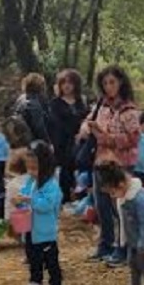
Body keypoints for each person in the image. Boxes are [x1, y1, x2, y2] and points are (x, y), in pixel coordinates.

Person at [80, 66, 140, 267]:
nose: (108, 87)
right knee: (102, 205)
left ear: (121, 83)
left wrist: (107, 138)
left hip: (120, 164)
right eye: (105, 83)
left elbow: (134, 139)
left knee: (120, 207)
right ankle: (105, 243)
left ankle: (125, 248)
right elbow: (89, 124)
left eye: (112, 82)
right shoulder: (101, 107)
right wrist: (89, 129)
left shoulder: (129, 110)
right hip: (100, 161)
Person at [97, 164, 144, 285]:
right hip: (134, 237)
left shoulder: (138, 199)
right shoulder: (124, 196)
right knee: (132, 262)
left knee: (142, 262)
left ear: (121, 185)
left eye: (112, 192)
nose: (112, 196)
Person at [17, 141, 64, 285]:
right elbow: (24, 194)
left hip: (45, 231)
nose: (31, 172)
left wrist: (30, 200)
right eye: (29, 168)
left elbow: (47, 205)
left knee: (50, 259)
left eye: (34, 168)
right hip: (30, 228)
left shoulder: (51, 185)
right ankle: (35, 282)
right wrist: (19, 200)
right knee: (33, 257)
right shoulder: (31, 181)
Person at [50, 69, 89, 203]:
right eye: (64, 82)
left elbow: (87, 118)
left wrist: (82, 132)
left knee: (81, 170)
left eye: (70, 82)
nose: (67, 85)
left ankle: (82, 197)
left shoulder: (81, 102)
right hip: (62, 142)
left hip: (81, 142)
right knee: (65, 171)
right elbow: (56, 124)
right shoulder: (55, 103)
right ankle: (65, 198)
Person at [14, 73, 51, 144]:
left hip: (19, 139)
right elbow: (39, 127)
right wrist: (48, 143)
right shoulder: (33, 104)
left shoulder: (21, 98)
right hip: (32, 142)